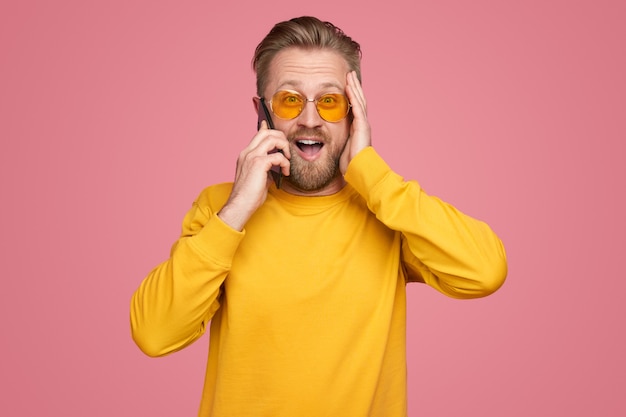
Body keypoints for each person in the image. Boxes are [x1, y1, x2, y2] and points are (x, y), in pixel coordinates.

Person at [131, 16, 507, 417]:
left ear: (354, 113)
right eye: (290, 100)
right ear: (262, 112)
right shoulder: (220, 210)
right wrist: (237, 209)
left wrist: (372, 174)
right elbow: (155, 334)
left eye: (329, 102)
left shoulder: (387, 210)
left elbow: (484, 271)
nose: (310, 120)